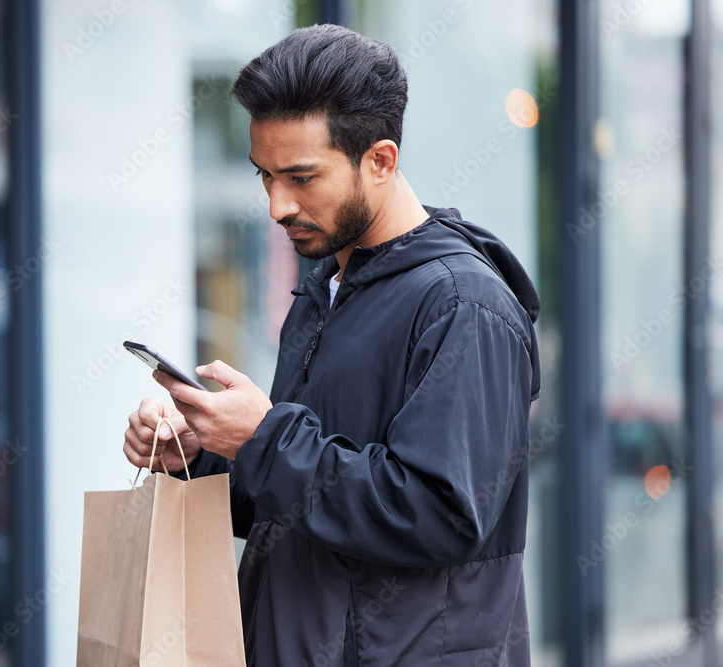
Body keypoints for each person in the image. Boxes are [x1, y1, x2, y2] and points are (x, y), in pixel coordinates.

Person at [123, 23, 540, 666]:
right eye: (265, 176)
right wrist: (200, 451)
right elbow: (304, 502)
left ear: (380, 160)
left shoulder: (464, 306)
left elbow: (439, 515)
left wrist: (263, 438)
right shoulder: (329, 287)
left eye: (301, 177)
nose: (277, 205)